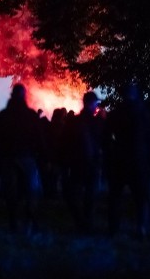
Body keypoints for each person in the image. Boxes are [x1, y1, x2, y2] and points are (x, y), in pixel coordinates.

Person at [104, 82, 150, 239]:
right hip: (138, 161)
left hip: (119, 160)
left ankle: (114, 228)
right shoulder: (144, 114)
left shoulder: (115, 113)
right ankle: (141, 228)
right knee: (141, 198)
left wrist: (111, 153)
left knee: (115, 197)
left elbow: (106, 137)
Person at [0, 83, 45, 233]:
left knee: (11, 191)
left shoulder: (3, 115)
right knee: (31, 190)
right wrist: (42, 155)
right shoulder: (31, 115)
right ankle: (30, 219)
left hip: (9, 157)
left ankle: (13, 221)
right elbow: (39, 138)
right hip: (27, 157)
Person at [61, 91, 105, 232]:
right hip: (90, 164)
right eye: (95, 103)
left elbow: (65, 143)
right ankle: (87, 222)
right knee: (90, 196)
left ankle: (82, 222)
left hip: (78, 164)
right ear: (90, 103)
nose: (96, 106)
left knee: (74, 194)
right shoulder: (98, 122)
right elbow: (105, 142)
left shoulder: (73, 121)